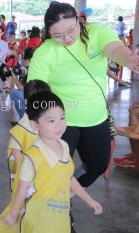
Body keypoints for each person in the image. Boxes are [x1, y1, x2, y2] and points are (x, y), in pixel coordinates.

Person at [28, 1, 139, 187]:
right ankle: (59, 202)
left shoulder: (96, 33)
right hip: (62, 122)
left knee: (98, 165)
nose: (67, 38)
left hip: (96, 117)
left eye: (71, 30)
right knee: (56, 171)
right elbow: (36, 90)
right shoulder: (45, 52)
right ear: (49, 34)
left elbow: (113, 48)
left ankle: (68, 193)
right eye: (58, 36)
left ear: (79, 20)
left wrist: (128, 58)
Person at [0, 91, 102, 233]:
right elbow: (22, 188)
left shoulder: (64, 146)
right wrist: (13, 214)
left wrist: (89, 200)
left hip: (60, 216)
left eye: (62, 118)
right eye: (51, 121)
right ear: (35, 125)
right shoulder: (33, 156)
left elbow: (68, 178)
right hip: (39, 220)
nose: (59, 125)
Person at [7, 80, 50, 186]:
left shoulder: (45, 125)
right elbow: (20, 164)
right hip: (27, 186)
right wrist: (30, 188)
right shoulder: (20, 131)